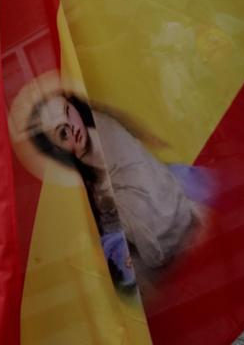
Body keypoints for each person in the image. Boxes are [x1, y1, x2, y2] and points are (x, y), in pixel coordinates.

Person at [27, 91, 203, 293]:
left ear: (73, 105)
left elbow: (148, 184)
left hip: (167, 215)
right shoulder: (77, 180)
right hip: (145, 249)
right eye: (63, 133)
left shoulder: (106, 128)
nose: (72, 127)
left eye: (68, 112)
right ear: (58, 148)